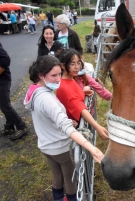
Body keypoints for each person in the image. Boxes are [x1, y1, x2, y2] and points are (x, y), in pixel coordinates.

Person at [24, 55, 104, 201]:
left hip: (45, 145)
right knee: (70, 178)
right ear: (41, 75)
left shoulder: (34, 91)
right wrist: (91, 148)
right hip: (59, 146)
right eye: (53, 75)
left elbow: (47, 117)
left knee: (57, 175)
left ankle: (58, 198)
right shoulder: (47, 99)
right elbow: (65, 126)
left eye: (59, 74)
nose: (58, 79)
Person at [55, 49, 109, 140]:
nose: (77, 67)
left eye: (78, 63)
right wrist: (98, 127)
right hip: (73, 128)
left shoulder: (70, 79)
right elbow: (80, 108)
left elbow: (72, 96)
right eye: (72, 64)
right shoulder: (64, 86)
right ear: (63, 66)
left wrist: (82, 93)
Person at [0, 43, 28, 140]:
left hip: (3, 80)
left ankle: (21, 126)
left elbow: (5, 59)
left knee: (4, 105)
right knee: (4, 104)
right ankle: (9, 127)